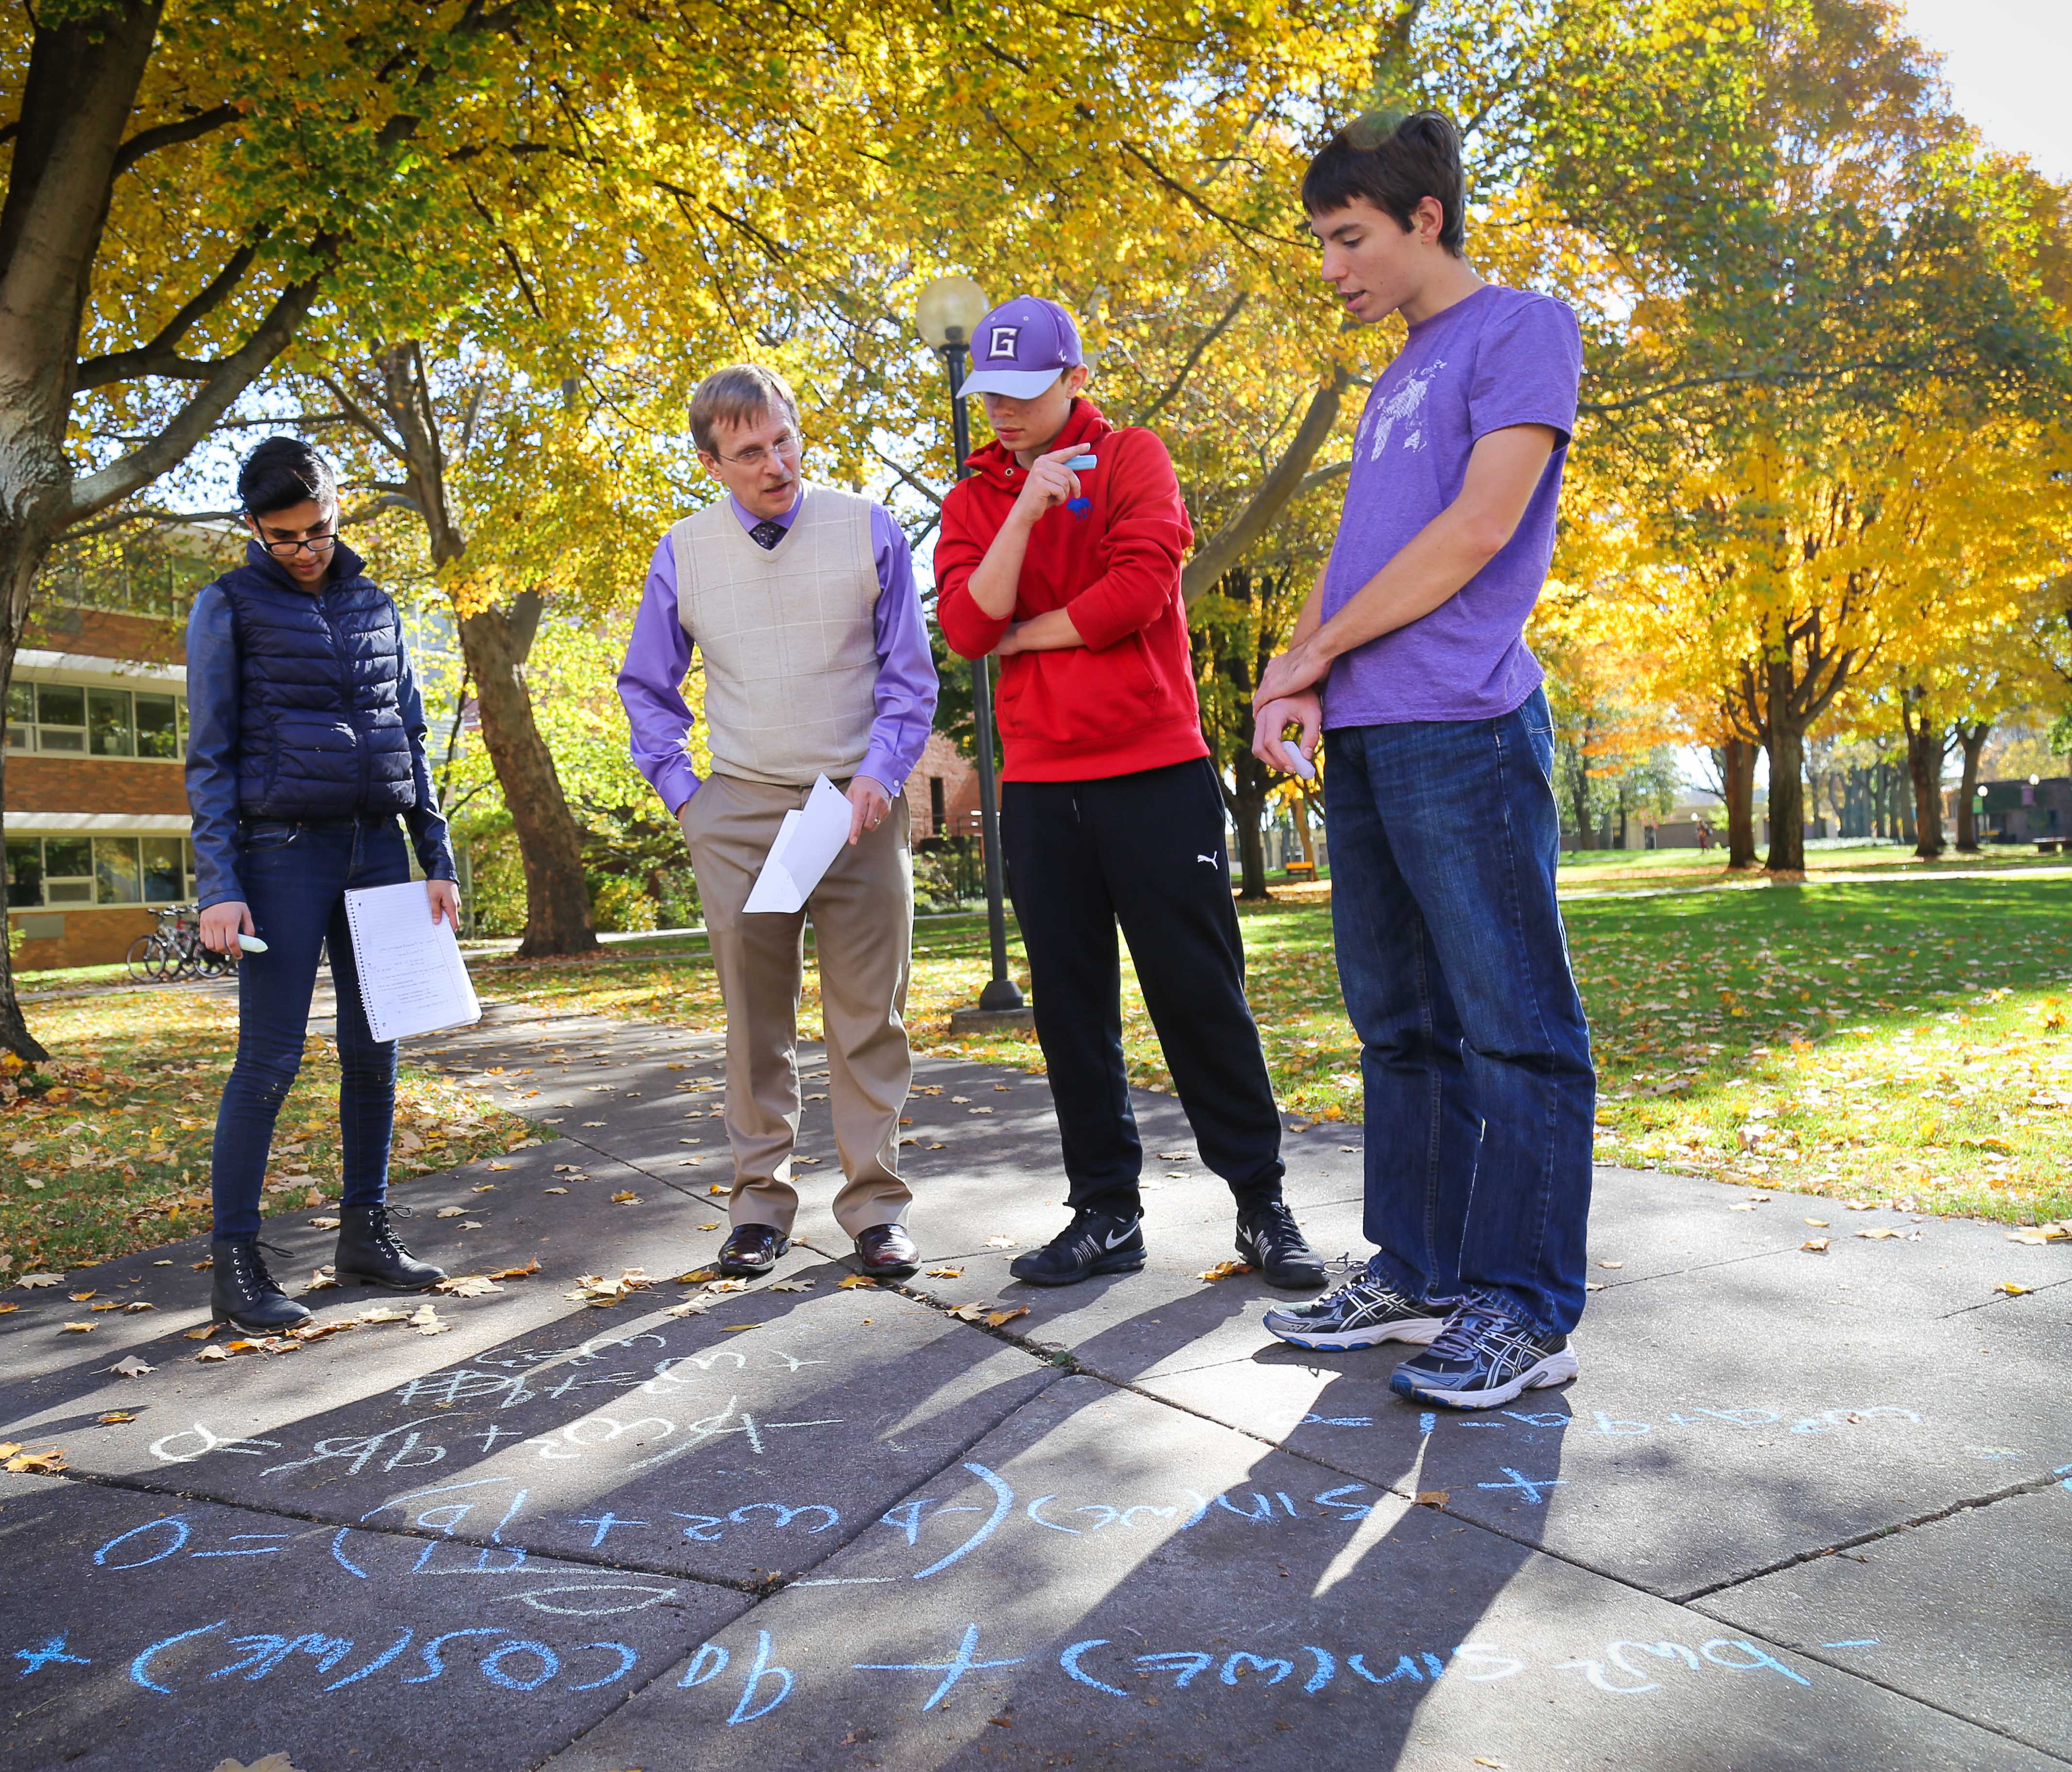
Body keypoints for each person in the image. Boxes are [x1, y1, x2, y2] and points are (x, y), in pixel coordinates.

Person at [1251, 111, 1593, 1410]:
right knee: (1399, 1027)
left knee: (1516, 1028)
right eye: (1323, 243)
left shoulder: (1523, 329)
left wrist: (1315, 651)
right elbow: (1362, 554)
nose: (1332, 268)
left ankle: (1527, 1306)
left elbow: (1477, 529)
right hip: (1375, 734)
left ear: (1424, 221)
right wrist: (1299, 671)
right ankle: (1423, 1266)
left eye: (1349, 239)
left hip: (1465, 722)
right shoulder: (1396, 373)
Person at [935, 295, 1322, 1292]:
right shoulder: (976, 496)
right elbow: (968, 628)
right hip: (1043, 787)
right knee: (1071, 1009)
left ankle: (1261, 1204)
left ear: (1075, 381)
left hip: (1153, 772)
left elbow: (1138, 593)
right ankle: (1106, 1212)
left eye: (1026, 394)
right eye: (992, 397)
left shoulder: (1136, 457)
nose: (1006, 414)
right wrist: (1024, 508)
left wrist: (1027, 629)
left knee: (1199, 995)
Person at [617, 364, 939, 1281]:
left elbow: (909, 677)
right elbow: (647, 686)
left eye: (785, 439)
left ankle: (877, 1210)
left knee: (868, 1017)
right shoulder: (684, 551)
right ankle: (759, 1209)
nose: (776, 463)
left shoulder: (868, 527)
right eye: (750, 451)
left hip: (856, 808)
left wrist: (882, 774)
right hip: (742, 811)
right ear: (713, 465)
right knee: (756, 1020)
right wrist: (686, 793)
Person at [186, 437, 458, 1329]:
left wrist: (436, 857)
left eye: (318, 529)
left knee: (375, 1045)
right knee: (268, 1059)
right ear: (254, 531)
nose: (305, 550)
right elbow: (211, 754)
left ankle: (365, 1234)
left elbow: (409, 736)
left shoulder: (377, 603)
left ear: (338, 507)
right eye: (282, 538)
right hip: (282, 854)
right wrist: (220, 883)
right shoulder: (227, 607)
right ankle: (237, 1267)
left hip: (375, 848)